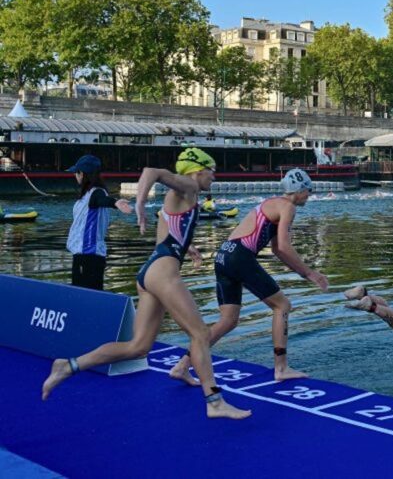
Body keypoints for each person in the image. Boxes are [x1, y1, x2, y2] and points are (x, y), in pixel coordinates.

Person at [42, 147, 250, 420]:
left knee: (138, 347)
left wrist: (188, 248)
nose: (214, 177)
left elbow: (168, 234)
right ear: (198, 170)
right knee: (200, 334)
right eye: (212, 171)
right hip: (163, 273)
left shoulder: (181, 196)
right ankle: (214, 401)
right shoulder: (187, 185)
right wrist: (139, 203)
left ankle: (68, 366)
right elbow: (152, 172)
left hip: (151, 270)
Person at [168, 168, 329, 384]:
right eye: (308, 190)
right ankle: (281, 368)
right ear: (299, 190)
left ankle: (182, 366)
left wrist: (303, 273)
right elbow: (284, 245)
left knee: (228, 321)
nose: (309, 195)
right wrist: (310, 272)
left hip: (223, 255)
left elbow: (277, 250)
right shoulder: (288, 207)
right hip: (239, 257)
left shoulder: (271, 203)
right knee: (282, 306)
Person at [65, 155, 132, 291]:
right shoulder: (86, 195)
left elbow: (102, 200)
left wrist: (115, 202)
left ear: (82, 174)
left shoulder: (96, 193)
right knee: (82, 294)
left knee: (87, 295)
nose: (74, 175)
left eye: (75, 173)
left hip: (89, 255)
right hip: (81, 254)